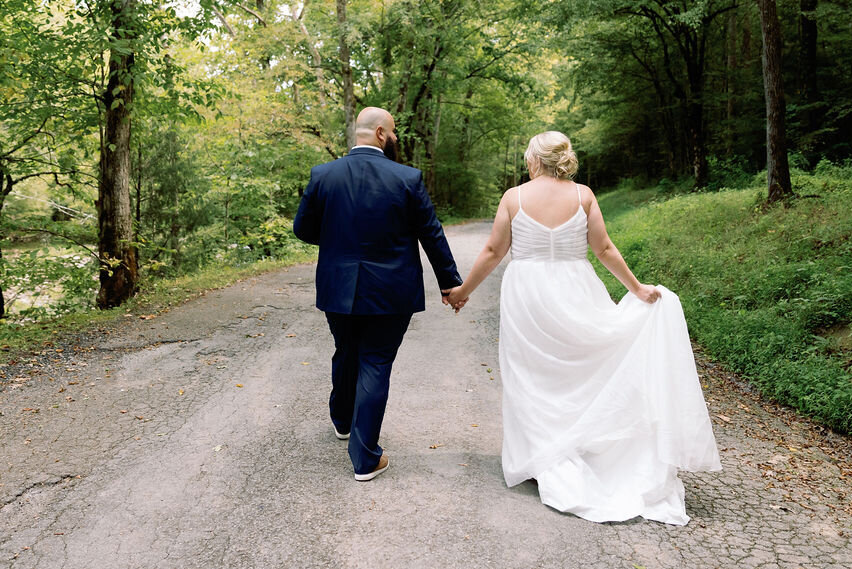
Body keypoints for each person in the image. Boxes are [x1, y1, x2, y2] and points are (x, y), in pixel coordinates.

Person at [446, 131, 721, 523]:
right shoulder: (583, 195)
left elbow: (493, 251)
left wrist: (462, 292)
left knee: (532, 374)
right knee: (580, 368)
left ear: (534, 160)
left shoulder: (514, 197)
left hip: (527, 293)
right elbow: (604, 248)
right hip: (576, 287)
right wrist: (637, 289)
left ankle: (544, 455)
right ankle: (574, 446)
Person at [293, 107, 463, 482]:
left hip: (338, 286)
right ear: (382, 133)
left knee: (346, 350)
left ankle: (342, 422)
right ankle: (365, 457)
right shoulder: (407, 178)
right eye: (396, 132)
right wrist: (450, 284)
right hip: (391, 290)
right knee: (375, 362)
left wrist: (339, 239)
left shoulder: (324, 175)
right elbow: (431, 234)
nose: (397, 137)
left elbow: (303, 229)